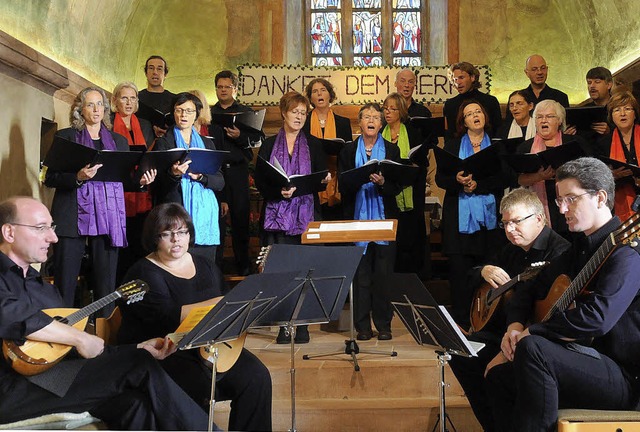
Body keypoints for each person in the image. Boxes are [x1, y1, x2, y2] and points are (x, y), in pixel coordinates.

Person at [0, 196, 208, 430]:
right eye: (41, 228)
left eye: (52, 227)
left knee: (134, 404)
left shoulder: (46, 290)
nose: (53, 237)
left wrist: (136, 348)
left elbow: (71, 352)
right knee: (139, 364)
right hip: (10, 390)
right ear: (9, 232)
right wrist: (80, 337)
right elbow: (12, 315)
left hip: (53, 379)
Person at [485, 157, 640, 432]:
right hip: (581, 358)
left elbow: (598, 319)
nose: (562, 209)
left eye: (571, 199)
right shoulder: (578, 248)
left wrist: (533, 333)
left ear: (600, 197)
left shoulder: (627, 253)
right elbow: (530, 285)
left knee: (534, 349)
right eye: (559, 201)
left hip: (623, 376)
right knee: (497, 374)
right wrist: (515, 326)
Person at [117, 203, 272, 432]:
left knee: (256, 376)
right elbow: (169, 317)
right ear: (154, 237)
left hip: (206, 345)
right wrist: (222, 303)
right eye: (167, 234)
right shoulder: (143, 273)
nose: (176, 239)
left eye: (181, 232)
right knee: (198, 384)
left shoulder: (204, 265)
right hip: (162, 351)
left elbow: (227, 305)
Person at [448, 188, 570, 431]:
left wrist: (509, 347)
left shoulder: (560, 252)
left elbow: (549, 311)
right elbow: (472, 276)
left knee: (494, 372)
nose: (510, 229)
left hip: (534, 338)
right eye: (505, 223)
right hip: (503, 331)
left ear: (539, 218)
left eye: (516, 222)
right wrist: (484, 271)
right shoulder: (512, 249)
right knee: (459, 352)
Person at [44, 87, 156, 316]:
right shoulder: (66, 137)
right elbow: (51, 177)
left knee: (106, 285)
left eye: (100, 105)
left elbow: (125, 180)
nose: (96, 110)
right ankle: (63, 337)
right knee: (65, 282)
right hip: (71, 216)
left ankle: (104, 335)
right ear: (80, 109)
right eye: (90, 105)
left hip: (107, 217)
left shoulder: (118, 141)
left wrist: (142, 182)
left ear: (105, 109)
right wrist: (77, 177)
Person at [254, 91, 329, 344]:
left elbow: (319, 181)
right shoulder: (267, 144)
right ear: (284, 113)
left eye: (303, 113)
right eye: (294, 112)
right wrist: (279, 190)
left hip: (305, 216)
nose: (299, 116)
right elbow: (261, 180)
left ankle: (303, 324)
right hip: (277, 215)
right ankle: (284, 325)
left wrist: (313, 184)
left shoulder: (315, 145)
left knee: (305, 271)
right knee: (282, 272)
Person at [436, 100, 506, 327]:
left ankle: (487, 323)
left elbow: (505, 178)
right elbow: (440, 179)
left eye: (478, 111)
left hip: (489, 224)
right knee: (460, 275)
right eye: (469, 114)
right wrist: (457, 181)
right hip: (459, 223)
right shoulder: (453, 146)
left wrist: (479, 185)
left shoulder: (497, 145)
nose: (475, 115)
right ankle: (461, 325)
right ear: (463, 121)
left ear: (485, 116)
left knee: (490, 272)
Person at [338, 103, 402, 341]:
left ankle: (384, 325)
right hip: (356, 220)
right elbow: (343, 186)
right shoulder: (348, 151)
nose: (372, 120)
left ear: (381, 123)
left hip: (384, 220)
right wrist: (361, 177)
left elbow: (397, 186)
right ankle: (362, 326)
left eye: (376, 116)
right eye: (367, 116)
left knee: (383, 275)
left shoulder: (392, 151)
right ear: (360, 123)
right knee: (361, 275)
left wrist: (383, 183)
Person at [152, 92, 224, 266]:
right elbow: (157, 185)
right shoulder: (164, 143)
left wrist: (201, 177)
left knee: (205, 270)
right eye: (179, 110)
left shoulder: (207, 144)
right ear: (173, 113)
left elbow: (220, 182)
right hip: (176, 215)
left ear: (196, 115)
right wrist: (174, 174)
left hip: (205, 216)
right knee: (178, 268)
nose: (184, 115)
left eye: (189, 111)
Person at [211, 70, 264, 276]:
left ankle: (243, 267)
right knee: (217, 221)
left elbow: (257, 140)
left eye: (227, 87)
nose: (223, 90)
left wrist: (240, 135)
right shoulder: (208, 113)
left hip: (238, 172)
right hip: (215, 172)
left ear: (235, 88)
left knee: (240, 220)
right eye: (220, 87)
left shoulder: (245, 112)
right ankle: (215, 268)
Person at [515, 100, 590, 239]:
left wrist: (564, 174)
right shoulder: (525, 148)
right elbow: (519, 179)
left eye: (549, 116)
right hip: (539, 207)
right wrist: (539, 177)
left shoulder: (574, 143)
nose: (544, 120)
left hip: (572, 205)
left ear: (559, 121)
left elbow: (588, 173)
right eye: (539, 117)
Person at [110, 81, 156, 282]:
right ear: (115, 101)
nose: (129, 102)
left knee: (139, 242)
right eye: (124, 98)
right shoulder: (108, 122)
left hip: (142, 191)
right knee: (119, 248)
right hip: (116, 191)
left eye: (133, 98)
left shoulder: (144, 125)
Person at [381, 92, 428, 275]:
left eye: (393, 108)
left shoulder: (412, 132)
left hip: (410, 192)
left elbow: (421, 162)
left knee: (410, 238)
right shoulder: (380, 132)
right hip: (389, 192)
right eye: (385, 108)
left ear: (401, 111)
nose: (388, 112)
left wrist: (410, 166)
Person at [303, 77, 353, 220]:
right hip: (312, 179)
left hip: (336, 180)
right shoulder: (303, 122)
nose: (319, 94)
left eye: (323, 90)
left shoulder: (343, 123)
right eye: (315, 91)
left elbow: (349, 152)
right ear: (311, 99)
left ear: (330, 95)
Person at [596, 90, 640, 220]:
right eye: (617, 110)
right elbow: (598, 179)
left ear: (635, 113)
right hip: (621, 200)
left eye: (627, 109)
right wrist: (613, 176)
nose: (622, 114)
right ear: (611, 116)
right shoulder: (604, 143)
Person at [504, 54, 570, 126]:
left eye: (543, 68)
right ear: (526, 73)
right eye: (534, 69)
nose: (539, 72)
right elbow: (508, 125)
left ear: (547, 70)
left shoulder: (560, 96)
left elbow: (565, 125)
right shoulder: (518, 98)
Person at [443, 62, 502, 139]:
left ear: (472, 77)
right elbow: (449, 135)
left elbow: (498, 130)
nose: (458, 83)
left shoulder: (490, 101)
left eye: (461, 78)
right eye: (455, 79)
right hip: (460, 148)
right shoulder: (450, 105)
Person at [568, 67, 614, 142]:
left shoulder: (619, 107)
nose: (592, 86)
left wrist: (610, 132)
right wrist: (568, 136)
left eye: (597, 82)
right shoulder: (582, 111)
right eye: (589, 82)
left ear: (609, 85)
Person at [137, 55, 175, 137]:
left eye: (159, 69)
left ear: (165, 74)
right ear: (146, 73)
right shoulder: (136, 98)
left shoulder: (175, 100)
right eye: (151, 68)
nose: (155, 72)